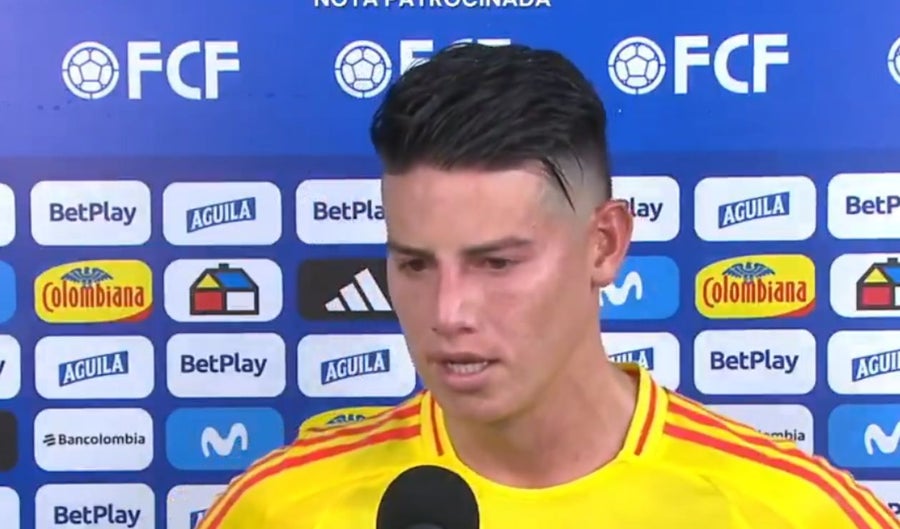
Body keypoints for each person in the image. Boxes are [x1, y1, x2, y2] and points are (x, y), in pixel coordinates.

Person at [195, 43, 898, 528]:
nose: (448, 312)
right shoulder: (279, 507)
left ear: (605, 244)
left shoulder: (792, 510)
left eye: (496, 263)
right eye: (415, 265)